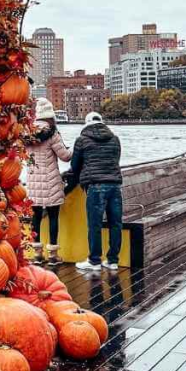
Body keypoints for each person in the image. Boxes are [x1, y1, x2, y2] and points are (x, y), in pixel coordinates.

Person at [70, 111, 123, 271]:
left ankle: (94, 261)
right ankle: (112, 260)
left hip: (95, 186)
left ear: (86, 123)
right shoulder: (115, 139)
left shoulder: (82, 140)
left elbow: (75, 165)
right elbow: (116, 159)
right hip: (115, 185)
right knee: (115, 224)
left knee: (95, 225)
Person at [25, 98, 72, 265]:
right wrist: (75, 148)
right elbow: (65, 157)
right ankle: (53, 255)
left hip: (32, 182)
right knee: (53, 217)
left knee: (36, 217)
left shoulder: (27, 133)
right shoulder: (52, 133)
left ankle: (37, 254)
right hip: (51, 181)